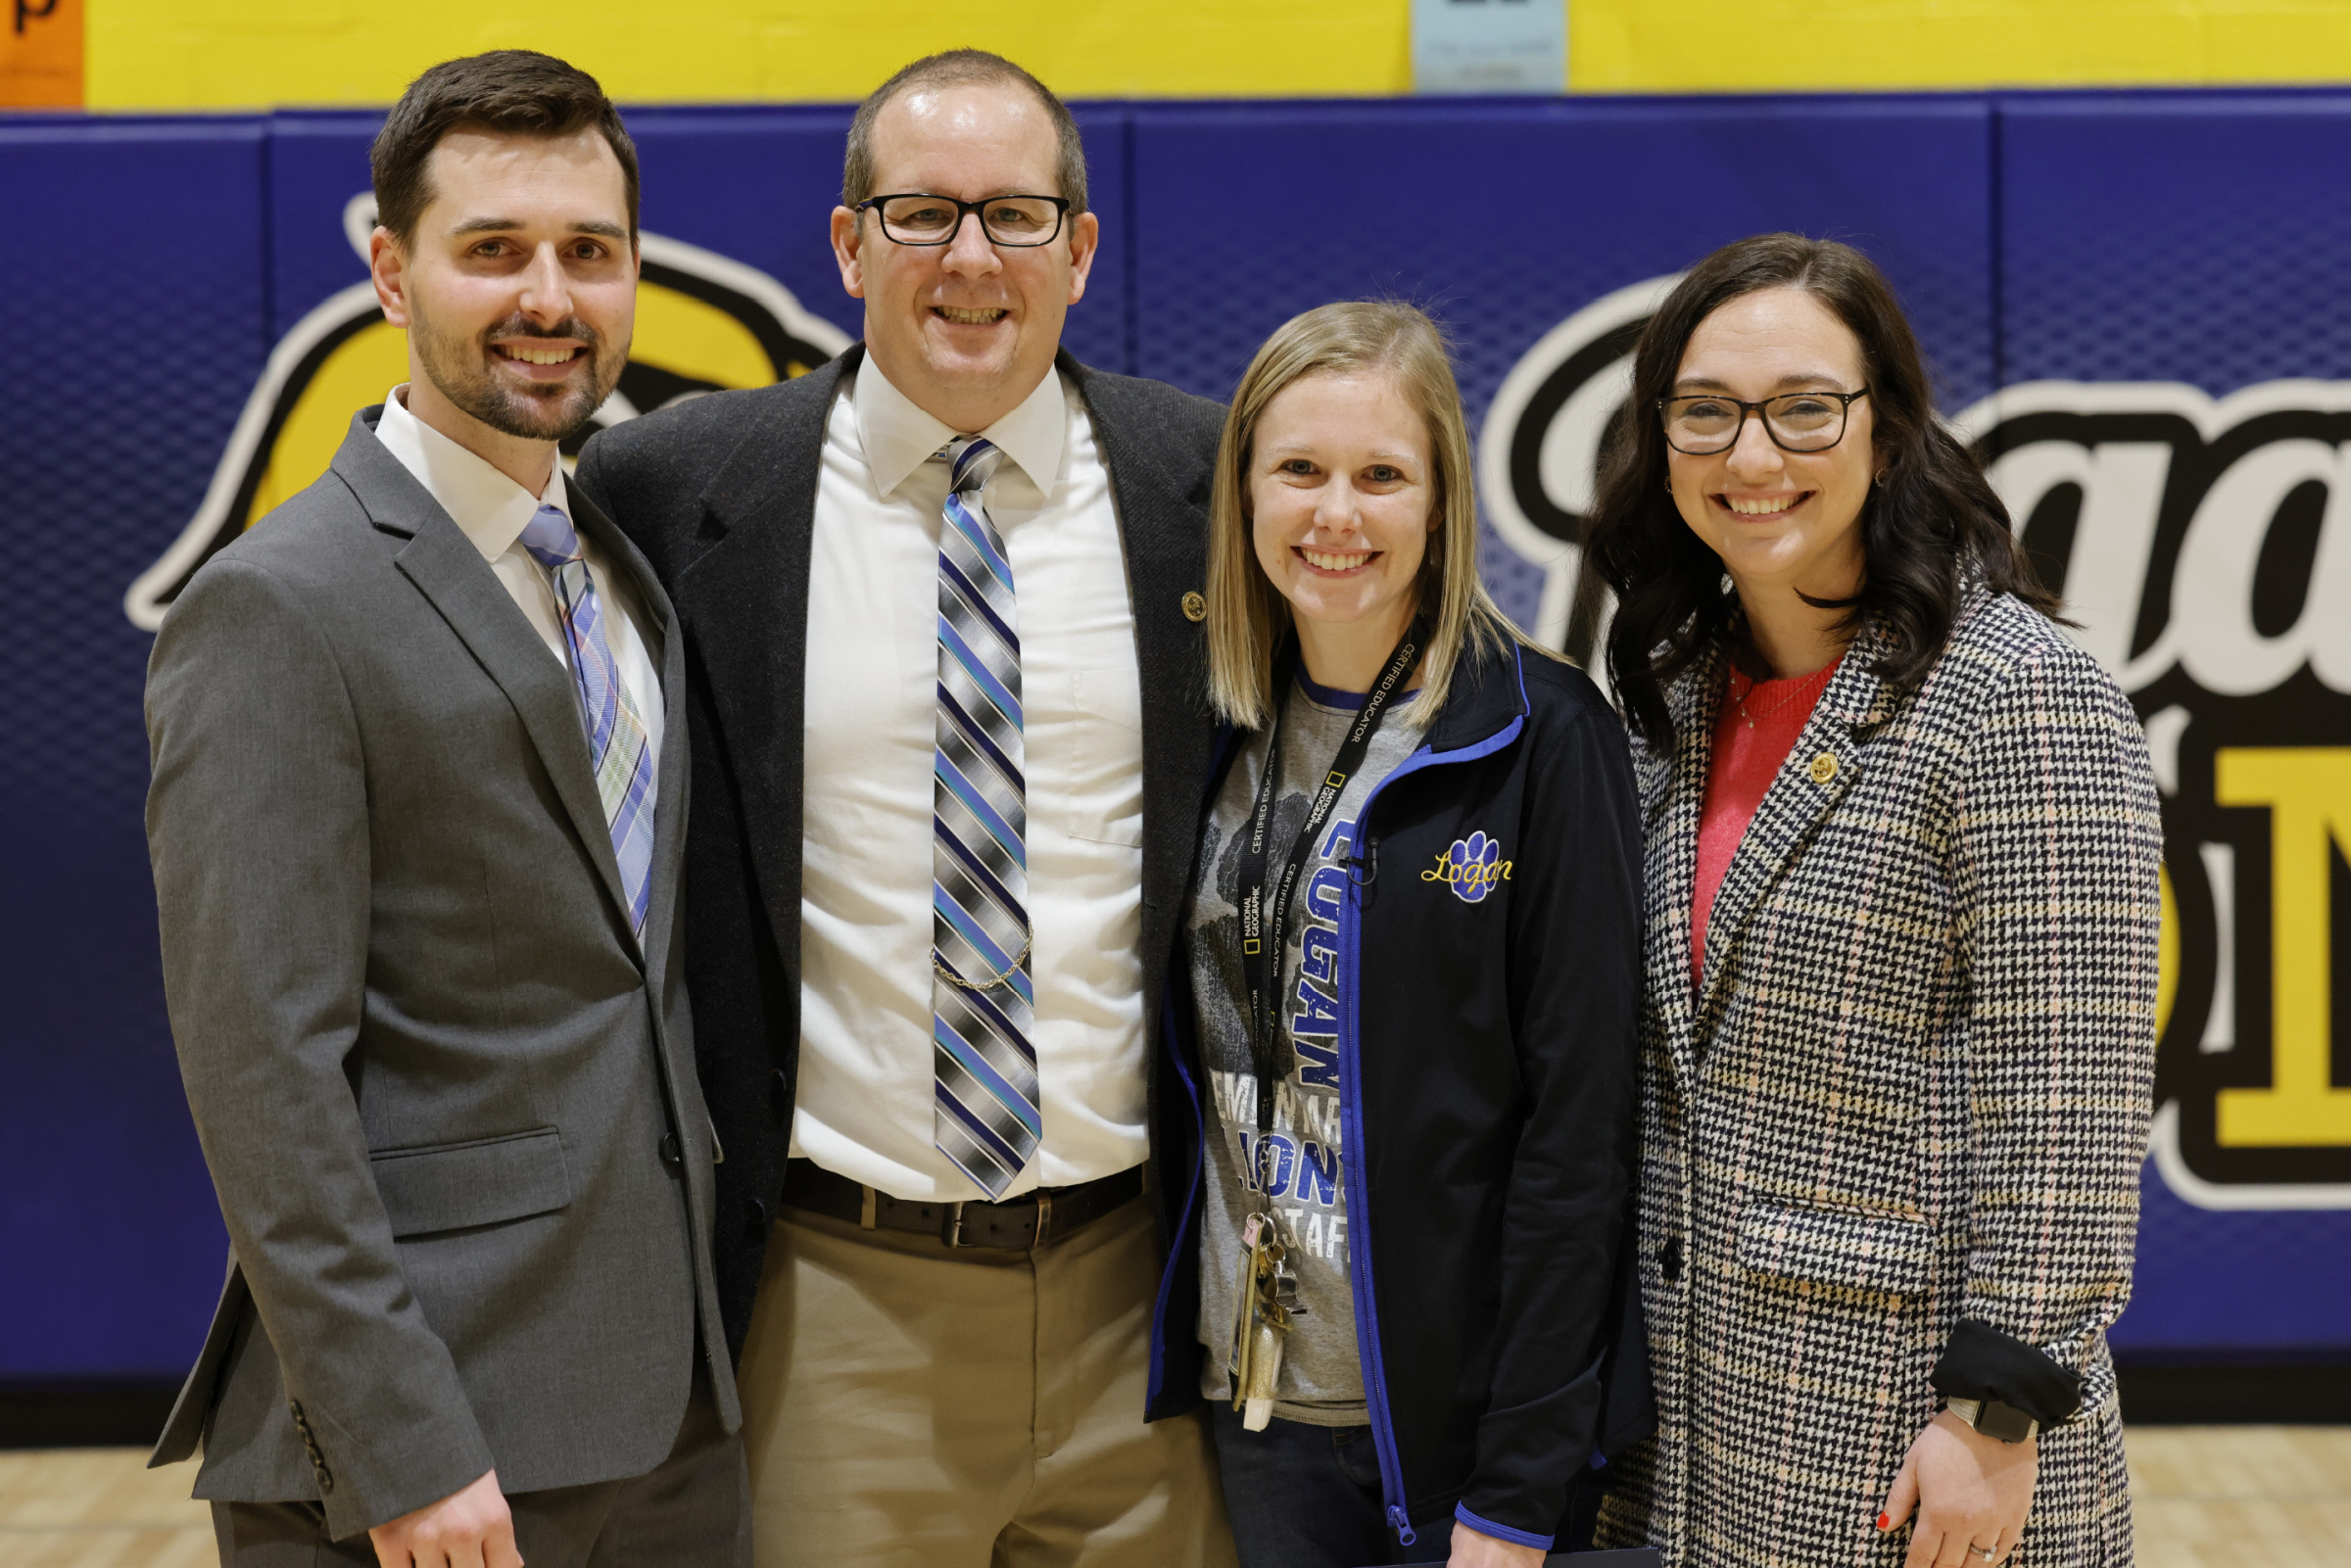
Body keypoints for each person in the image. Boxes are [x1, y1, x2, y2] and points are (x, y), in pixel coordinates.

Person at [574, 48, 1235, 1568]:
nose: (968, 259)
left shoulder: (1208, 479)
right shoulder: (676, 488)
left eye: (1014, 215)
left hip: (1149, 1302)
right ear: (848, 242)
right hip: (838, 1295)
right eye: (921, 212)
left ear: (1079, 246)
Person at [144, 50, 746, 1568]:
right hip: (427, 1454)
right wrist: (403, 1444)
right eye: (494, 251)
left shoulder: (620, 565)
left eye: (588, 254)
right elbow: (263, 1070)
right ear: (392, 273)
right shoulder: (275, 605)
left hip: (668, 1417)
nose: (549, 296)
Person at [1583, 233, 2161, 1568]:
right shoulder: (1667, 694)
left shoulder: (2015, 693)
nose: (1751, 455)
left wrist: (1996, 1409)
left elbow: (2071, 1097)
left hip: (1916, 1440)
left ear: (1888, 431)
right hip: (1705, 1422)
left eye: (1803, 408)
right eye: (1706, 411)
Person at [1142, 300, 1645, 1568]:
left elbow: (1578, 1142)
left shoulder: (1542, 737)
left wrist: (1520, 1484)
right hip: (1254, 1399)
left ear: (1442, 500)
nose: (1337, 515)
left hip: (1453, 1431)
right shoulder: (1205, 728)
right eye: (1298, 470)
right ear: (1244, 488)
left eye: (1382, 475)